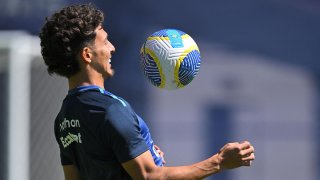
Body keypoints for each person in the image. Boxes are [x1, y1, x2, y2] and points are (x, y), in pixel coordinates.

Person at [39, 4, 255, 180]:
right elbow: (150, 177)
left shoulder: (64, 117)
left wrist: (145, 156)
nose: (112, 48)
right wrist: (219, 162)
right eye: (105, 41)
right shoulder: (111, 109)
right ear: (87, 55)